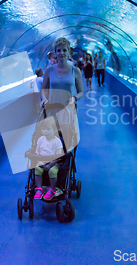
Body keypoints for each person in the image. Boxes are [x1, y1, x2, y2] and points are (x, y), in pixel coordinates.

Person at [40, 37, 84, 199]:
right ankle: (47, 180)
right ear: (55, 53)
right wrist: (44, 99)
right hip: (51, 113)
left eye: (64, 50)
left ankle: (63, 179)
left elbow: (80, 91)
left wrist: (75, 98)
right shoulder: (49, 70)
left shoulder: (75, 71)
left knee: (68, 145)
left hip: (69, 113)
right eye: (59, 50)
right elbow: (44, 89)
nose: (61, 53)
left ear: (68, 52)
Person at [33, 119, 64, 200]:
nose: (45, 131)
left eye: (48, 129)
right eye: (43, 129)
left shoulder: (57, 142)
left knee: (52, 171)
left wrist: (50, 164)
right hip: (42, 160)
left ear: (55, 130)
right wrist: (39, 161)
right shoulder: (40, 139)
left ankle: (52, 189)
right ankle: (39, 189)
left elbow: (58, 156)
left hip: (54, 163)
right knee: (37, 168)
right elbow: (37, 152)